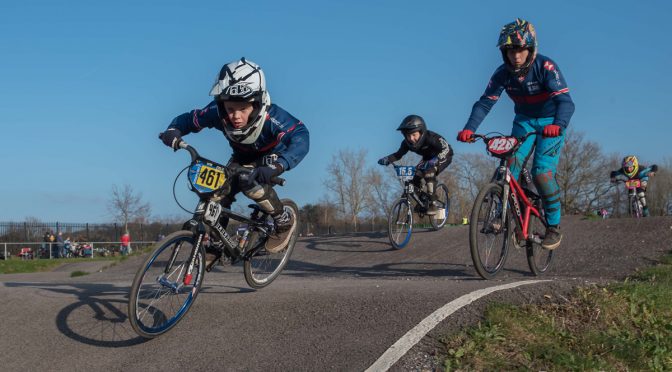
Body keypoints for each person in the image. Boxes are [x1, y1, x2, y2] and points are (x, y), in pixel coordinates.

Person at [159, 57, 309, 267]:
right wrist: (173, 130)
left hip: (271, 157)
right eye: (230, 108)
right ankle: (215, 246)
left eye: (243, 109)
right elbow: (190, 119)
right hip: (241, 156)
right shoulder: (218, 114)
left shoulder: (273, 118)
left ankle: (283, 220)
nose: (236, 116)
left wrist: (279, 165)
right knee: (217, 193)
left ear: (257, 104)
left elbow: (301, 137)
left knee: (249, 182)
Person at [456, 18, 575, 250]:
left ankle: (553, 226)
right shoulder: (502, 73)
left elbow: (566, 103)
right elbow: (484, 103)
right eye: (509, 50)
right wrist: (470, 128)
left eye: (520, 49)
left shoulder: (546, 67)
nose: (515, 56)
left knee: (541, 172)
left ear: (530, 49)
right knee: (509, 167)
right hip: (524, 122)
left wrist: (558, 124)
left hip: (551, 122)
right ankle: (505, 214)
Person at [378, 115, 453, 215]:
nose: (411, 138)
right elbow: (398, 155)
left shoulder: (432, 137)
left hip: (444, 156)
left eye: (414, 135)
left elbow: (446, 149)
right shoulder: (406, 143)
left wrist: (435, 160)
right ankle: (422, 200)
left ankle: (433, 204)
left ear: (421, 132)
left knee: (429, 172)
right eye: (408, 136)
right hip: (427, 159)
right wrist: (387, 159)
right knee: (413, 179)